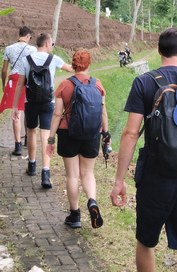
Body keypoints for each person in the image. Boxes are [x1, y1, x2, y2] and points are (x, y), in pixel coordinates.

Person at [110, 27, 177, 272]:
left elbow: (129, 134)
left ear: (158, 50)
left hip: (155, 177)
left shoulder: (144, 83)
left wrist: (119, 180)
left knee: (146, 242)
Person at [46, 50, 110, 229]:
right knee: (88, 173)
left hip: (68, 134)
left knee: (72, 175)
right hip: (92, 134)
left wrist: (50, 140)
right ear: (89, 65)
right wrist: (105, 134)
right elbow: (103, 112)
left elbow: (57, 114)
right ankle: (92, 201)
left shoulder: (64, 86)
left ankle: (75, 216)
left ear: (73, 65)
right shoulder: (97, 85)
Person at [12, 32, 74, 188]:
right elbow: (72, 69)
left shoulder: (26, 60)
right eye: (52, 44)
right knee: (46, 135)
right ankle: (46, 173)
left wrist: (15, 106)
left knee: (31, 132)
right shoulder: (54, 59)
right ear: (47, 44)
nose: (52, 46)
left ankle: (32, 165)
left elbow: (20, 85)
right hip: (48, 102)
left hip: (30, 102)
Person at [0, 26, 36, 156]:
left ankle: (18, 146)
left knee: (16, 114)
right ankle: (27, 139)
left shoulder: (9, 49)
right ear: (28, 36)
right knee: (27, 110)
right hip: (28, 82)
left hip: (14, 82)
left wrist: (4, 84)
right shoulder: (33, 49)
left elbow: (4, 70)